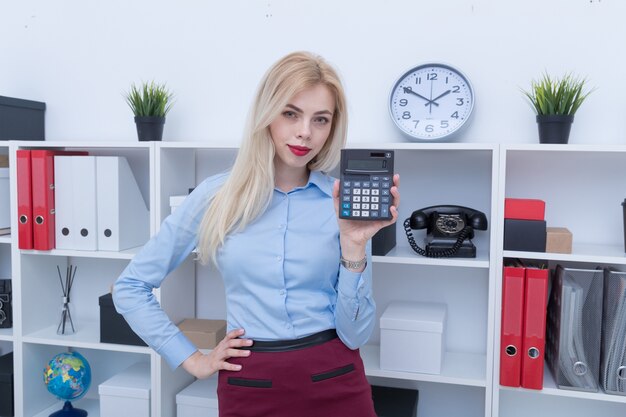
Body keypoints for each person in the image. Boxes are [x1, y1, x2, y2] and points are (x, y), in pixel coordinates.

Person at [113, 51, 400, 417]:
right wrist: (191, 358)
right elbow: (130, 288)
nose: (305, 133)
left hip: (336, 377)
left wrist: (355, 246)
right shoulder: (215, 197)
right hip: (250, 383)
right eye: (290, 113)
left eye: (321, 119)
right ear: (266, 114)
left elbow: (356, 334)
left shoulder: (339, 204)